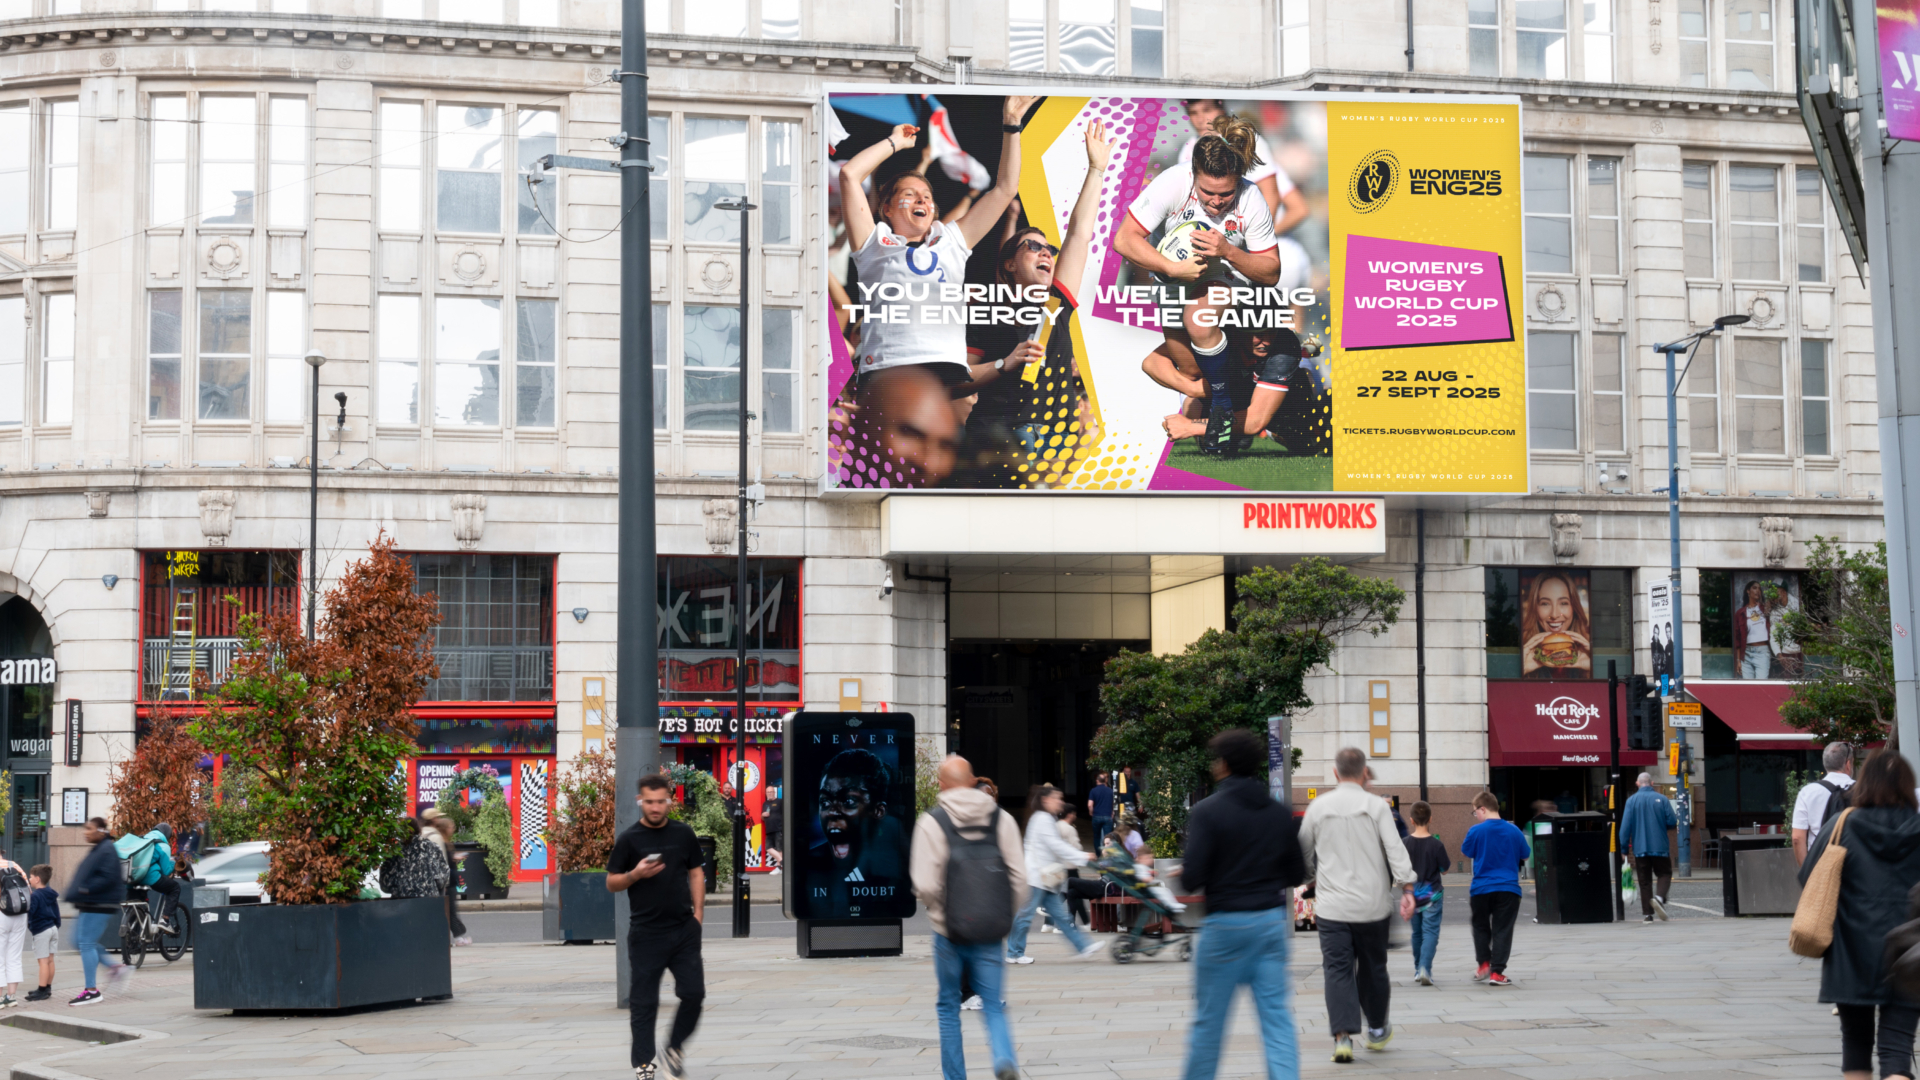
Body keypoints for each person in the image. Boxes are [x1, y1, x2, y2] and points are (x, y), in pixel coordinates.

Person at [837, 96, 1037, 429]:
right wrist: (894, 143)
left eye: (928, 197)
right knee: (886, 469)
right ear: (886, 209)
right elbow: (849, 174)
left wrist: (1011, 124)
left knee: (936, 469)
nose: (923, 201)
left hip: (945, 377)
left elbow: (1004, 189)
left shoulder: (952, 241)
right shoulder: (873, 245)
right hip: (888, 375)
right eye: (911, 194)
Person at [1113, 112, 1281, 455]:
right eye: (1208, 192)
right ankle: (1232, 400)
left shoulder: (1251, 198)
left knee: (1197, 319)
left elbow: (1271, 271)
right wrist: (1171, 269)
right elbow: (1125, 240)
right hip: (1173, 276)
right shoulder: (1173, 182)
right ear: (1194, 176)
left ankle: (1220, 408)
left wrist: (1228, 252)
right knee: (1190, 371)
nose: (1217, 202)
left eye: (1226, 194)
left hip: (1225, 274)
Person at [1179, 729, 1306, 1080]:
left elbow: (1193, 878)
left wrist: (1186, 870)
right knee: (1277, 1020)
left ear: (1223, 765)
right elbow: (1296, 873)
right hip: (1269, 925)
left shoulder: (1208, 811)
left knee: (1210, 1023)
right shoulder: (1280, 813)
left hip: (1224, 927)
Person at [1798, 749, 1920, 1080]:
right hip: (1911, 948)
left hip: (1850, 949)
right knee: (1897, 1046)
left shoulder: (1843, 824)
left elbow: (1809, 876)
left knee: (1855, 1041)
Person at [911, 755, 1027, 1080]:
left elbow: (923, 883)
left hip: (948, 932)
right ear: (974, 780)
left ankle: (955, 1077)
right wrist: (1002, 914)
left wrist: (941, 913)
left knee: (949, 1007)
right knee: (993, 1004)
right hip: (990, 930)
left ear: (941, 785)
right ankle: (1003, 1058)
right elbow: (1019, 877)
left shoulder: (932, 822)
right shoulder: (1001, 819)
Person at [1298, 747, 1416, 1063]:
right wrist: (1407, 886)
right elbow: (1395, 849)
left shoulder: (1318, 807)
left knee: (1337, 969)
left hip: (1332, 907)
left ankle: (1343, 1037)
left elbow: (1304, 852)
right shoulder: (1377, 807)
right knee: (1374, 967)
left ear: (1335, 773)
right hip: (1372, 906)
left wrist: (1312, 878)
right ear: (1364, 772)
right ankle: (1377, 1028)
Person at [607, 773, 707, 1080]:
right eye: (648, 802)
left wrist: (698, 916)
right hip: (646, 933)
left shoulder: (684, 833)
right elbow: (612, 883)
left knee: (693, 994)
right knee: (644, 1002)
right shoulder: (629, 839)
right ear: (641, 801)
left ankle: (674, 1048)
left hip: (683, 929)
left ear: (669, 801)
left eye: (660, 801)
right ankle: (644, 1063)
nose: (654, 807)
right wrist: (635, 874)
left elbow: (696, 873)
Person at [1005, 784, 1105, 963]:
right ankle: (1014, 953)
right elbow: (1056, 846)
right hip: (1036, 877)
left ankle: (1083, 946)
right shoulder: (1042, 819)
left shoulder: (1046, 818)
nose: (1061, 802)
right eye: (1058, 798)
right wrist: (1081, 856)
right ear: (1046, 800)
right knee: (1026, 916)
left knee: (1061, 916)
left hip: (1044, 878)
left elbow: (1054, 847)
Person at [1175, 99, 1309, 232]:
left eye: (1207, 110)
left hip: (1264, 245)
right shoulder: (1188, 149)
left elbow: (1272, 194)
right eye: (1193, 113)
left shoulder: (1245, 141)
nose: (1200, 119)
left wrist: (1257, 240)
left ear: (1222, 107)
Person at [1460, 792, 1529, 986]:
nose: (1476, 817)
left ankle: (1483, 964)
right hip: (1508, 888)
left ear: (1483, 808)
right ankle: (1497, 972)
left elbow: (1467, 851)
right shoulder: (1514, 830)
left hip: (1481, 888)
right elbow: (1525, 855)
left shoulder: (1476, 831)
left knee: (1480, 926)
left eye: (1475, 812)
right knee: (1502, 929)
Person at [65, 817, 127, 1006]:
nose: (85, 832)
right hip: (90, 903)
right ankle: (115, 967)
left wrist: (86, 889)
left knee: (86, 944)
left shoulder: (106, 849)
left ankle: (91, 990)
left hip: (99, 904)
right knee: (78, 941)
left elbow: (109, 877)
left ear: (100, 830)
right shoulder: (100, 848)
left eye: (89, 829)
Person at [1618, 772, 1677, 923]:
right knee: (1664, 873)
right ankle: (1659, 898)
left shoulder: (1631, 801)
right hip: (1660, 846)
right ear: (1652, 783)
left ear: (1637, 784)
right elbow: (1672, 821)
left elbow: (1624, 828)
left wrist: (1623, 850)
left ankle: (1647, 915)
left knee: (1644, 881)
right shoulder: (1662, 799)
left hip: (1640, 848)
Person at [1402, 801, 1449, 986]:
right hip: (1432, 896)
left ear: (1411, 820)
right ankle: (1425, 968)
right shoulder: (1437, 845)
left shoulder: (1404, 843)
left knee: (1417, 933)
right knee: (1430, 932)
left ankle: (1417, 969)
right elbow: (1444, 869)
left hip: (1412, 896)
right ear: (1430, 819)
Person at [1520, 570, 1593, 677]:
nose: (1554, 614)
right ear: (1535, 609)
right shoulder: (1522, 651)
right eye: (1545, 604)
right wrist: (1520, 669)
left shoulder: (1590, 651)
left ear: (1574, 608)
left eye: (1563, 603)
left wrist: (1594, 668)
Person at [1794, 742, 1856, 865]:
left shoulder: (1807, 792)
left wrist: (1808, 874)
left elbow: (1797, 838)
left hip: (1821, 867)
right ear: (1848, 764)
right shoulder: (1864, 790)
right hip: (1856, 867)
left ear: (1825, 764)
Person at [422, 808, 472, 946]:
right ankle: (453, 938)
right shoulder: (436, 837)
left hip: (425, 879)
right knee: (447, 909)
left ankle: (440, 938)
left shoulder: (421, 833)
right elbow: (441, 861)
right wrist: (444, 880)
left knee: (435, 910)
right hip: (440, 880)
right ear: (434, 819)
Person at [134, 823, 180, 932]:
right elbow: (166, 870)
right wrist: (173, 864)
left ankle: (133, 941)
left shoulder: (141, 840)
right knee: (175, 888)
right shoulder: (163, 845)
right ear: (167, 834)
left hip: (133, 879)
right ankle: (165, 920)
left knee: (137, 906)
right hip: (150, 878)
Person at [26, 865, 57, 1002]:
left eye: (31, 877)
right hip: (52, 928)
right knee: (50, 960)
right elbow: (57, 912)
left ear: (37, 879)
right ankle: (47, 987)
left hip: (41, 930)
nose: (29, 879)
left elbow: (31, 913)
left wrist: (30, 925)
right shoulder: (51, 892)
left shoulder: (35, 895)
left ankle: (41, 990)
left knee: (42, 961)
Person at [1735, 578, 1777, 679]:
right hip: (1746, 653)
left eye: (1759, 589)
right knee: (1748, 688)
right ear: (1748, 591)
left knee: (1762, 685)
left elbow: (1776, 600)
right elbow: (1738, 639)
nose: (1757, 591)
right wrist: (1738, 660)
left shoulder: (1765, 609)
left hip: (1762, 652)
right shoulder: (1740, 613)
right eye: (1754, 588)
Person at [0, 851, 27, 1008]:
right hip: (20, 914)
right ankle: (11, 997)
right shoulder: (14, 865)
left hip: (1, 914)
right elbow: (27, 890)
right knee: (14, 956)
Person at [1088, 771, 1115, 846]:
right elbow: (1112, 803)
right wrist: (1112, 812)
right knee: (1108, 837)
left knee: (1097, 837)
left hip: (1096, 816)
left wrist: (1091, 812)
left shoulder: (1093, 791)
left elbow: (1090, 805)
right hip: (1107, 816)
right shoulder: (1110, 791)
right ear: (1105, 781)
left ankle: (1098, 854)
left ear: (1097, 780)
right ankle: (1107, 854)